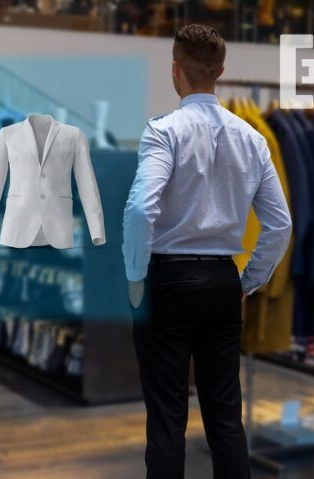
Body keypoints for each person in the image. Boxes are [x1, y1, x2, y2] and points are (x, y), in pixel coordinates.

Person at [122, 24, 292, 478]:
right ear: (220, 72)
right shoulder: (252, 139)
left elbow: (139, 208)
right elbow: (280, 223)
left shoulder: (164, 132)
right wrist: (248, 281)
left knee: (166, 420)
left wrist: (135, 276)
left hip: (167, 281)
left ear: (175, 69)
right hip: (222, 281)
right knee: (226, 418)